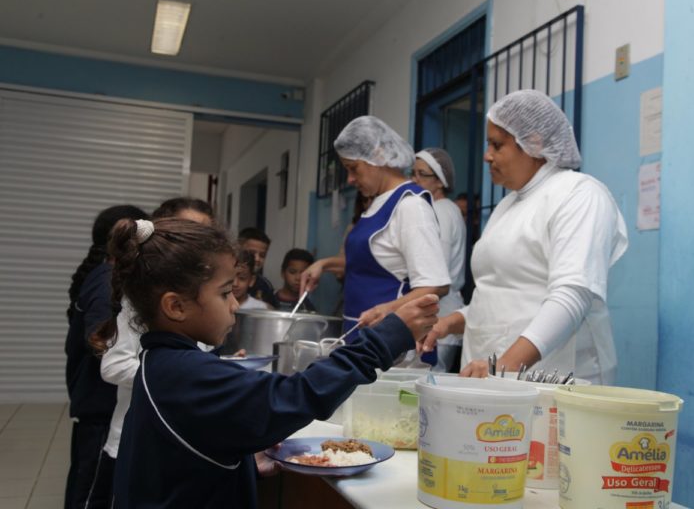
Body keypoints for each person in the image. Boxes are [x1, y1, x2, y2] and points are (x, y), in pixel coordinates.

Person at [91, 217, 438, 507]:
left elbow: (184, 464)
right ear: (176, 306)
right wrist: (386, 338)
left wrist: (243, 463)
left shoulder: (158, 362)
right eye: (225, 293)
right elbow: (300, 394)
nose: (234, 305)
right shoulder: (186, 373)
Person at [421, 90, 628, 385]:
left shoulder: (579, 194)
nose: (487, 155)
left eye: (497, 145)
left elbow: (573, 294)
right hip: (491, 377)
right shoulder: (507, 206)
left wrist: (504, 367)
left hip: (552, 379)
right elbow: (499, 296)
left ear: (535, 143)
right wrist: (448, 323)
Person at [300, 116, 450, 367]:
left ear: (379, 156)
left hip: (394, 347)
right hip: (365, 340)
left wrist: (389, 309)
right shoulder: (378, 203)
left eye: (353, 168)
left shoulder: (410, 206)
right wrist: (323, 264)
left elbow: (435, 286)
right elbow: (369, 265)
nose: (350, 179)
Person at [97, 198, 217, 489]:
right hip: (135, 442)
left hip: (178, 441)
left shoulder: (199, 294)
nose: (198, 241)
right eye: (189, 230)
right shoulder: (144, 296)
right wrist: (178, 376)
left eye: (205, 234)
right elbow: (113, 366)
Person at [65, 204, 148, 509]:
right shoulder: (107, 282)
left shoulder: (106, 276)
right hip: (101, 406)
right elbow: (102, 347)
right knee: (90, 493)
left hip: (97, 403)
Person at [411, 148, 466, 372]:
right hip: (442, 313)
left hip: (440, 315)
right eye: (413, 173)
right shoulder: (446, 209)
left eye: (422, 174)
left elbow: (435, 270)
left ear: (440, 181)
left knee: (428, 381)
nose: (415, 179)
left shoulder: (440, 211)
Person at [238, 227, 278, 308]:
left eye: (262, 255)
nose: (257, 259)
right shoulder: (226, 279)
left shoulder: (265, 286)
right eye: (252, 253)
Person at [273, 248, 317, 313]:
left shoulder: (307, 307)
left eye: (303, 274)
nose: (298, 278)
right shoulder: (268, 296)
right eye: (292, 272)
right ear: (282, 273)